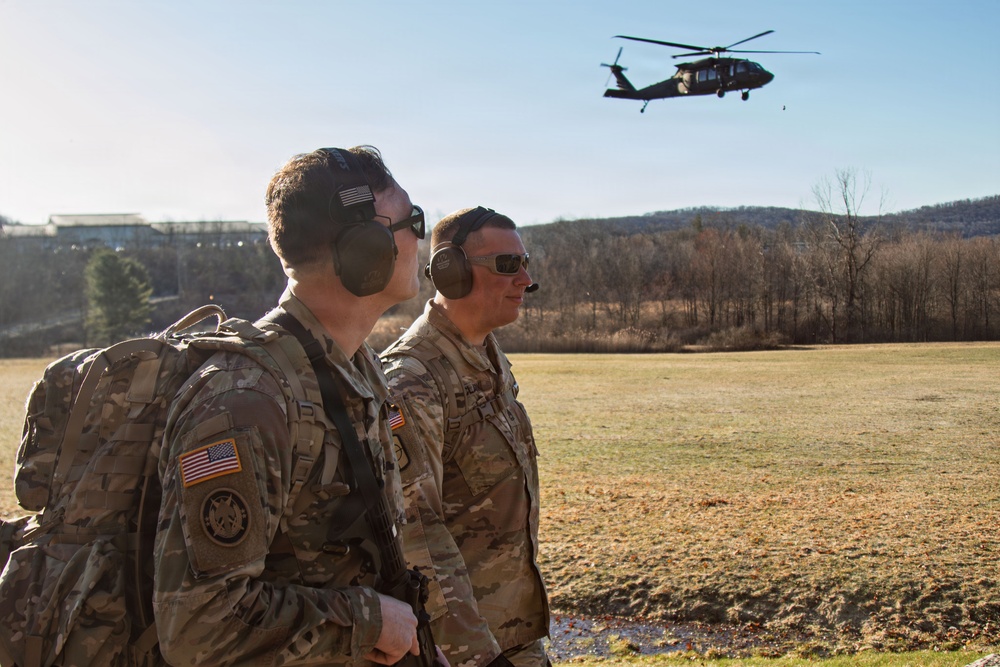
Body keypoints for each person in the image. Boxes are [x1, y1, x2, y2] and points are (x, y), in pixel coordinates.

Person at [153, 146, 441, 666]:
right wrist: (369, 621)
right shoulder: (246, 400)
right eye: (410, 221)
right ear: (365, 245)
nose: (421, 236)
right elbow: (199, 627)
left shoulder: (357, 368)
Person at [381, 207, 550, 667]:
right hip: (459, 652)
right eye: (508, 265)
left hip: (515, 638)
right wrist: (479, 657)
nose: (526, 280)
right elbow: (417, 534)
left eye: (525, 262)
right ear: (450, 272)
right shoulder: (413, 379)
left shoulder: (490, 359)